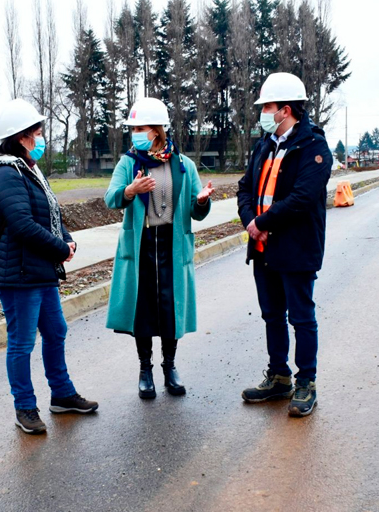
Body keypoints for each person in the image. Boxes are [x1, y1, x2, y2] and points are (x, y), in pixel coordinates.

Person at [0, 98, 98, 435]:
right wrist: (60, 249)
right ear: (22, 136)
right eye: (38, 132)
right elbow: (22, 224)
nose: (42, 137)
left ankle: (62, 394)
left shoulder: (28, 169)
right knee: (22, 343)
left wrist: (67, 240)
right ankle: (25, 407)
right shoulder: (4, 173)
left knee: (56, 330)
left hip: (39, 269)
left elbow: (49, 215)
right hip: (17, 274)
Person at [104, 97, 215, 399]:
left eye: (140, 128)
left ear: (156, 130)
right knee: (142, 308)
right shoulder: (129, 163)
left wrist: (201, 201)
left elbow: (195, 209)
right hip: (141, 245)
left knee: (169, 307)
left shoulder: (183, 165)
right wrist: (130, 190)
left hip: (172, 244)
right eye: (133, 129)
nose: (135, 134)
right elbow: (111, 197)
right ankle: (145, 370)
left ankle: (170, 366)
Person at [237, 73, 333, 417]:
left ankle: (306, 383)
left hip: (296, 247)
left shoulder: (314, 147)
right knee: (272, 315)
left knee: (301, 317)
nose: (263, 113)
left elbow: (302, 198)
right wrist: (251, 221)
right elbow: (245, 187)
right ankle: (279, 376)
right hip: (263, 247)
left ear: (286, 110)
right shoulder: (265, 144)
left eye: (267, 107)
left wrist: (262, 223)